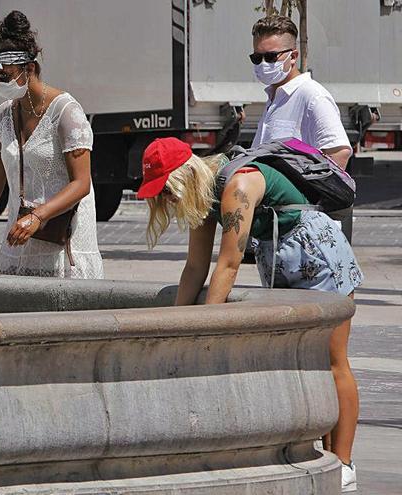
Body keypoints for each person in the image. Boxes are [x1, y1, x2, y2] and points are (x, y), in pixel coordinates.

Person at [138, 137, 362, 493]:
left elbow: (227, 265)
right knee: (305, 364)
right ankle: (327, 455)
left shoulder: (237, 184)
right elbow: (195, 267)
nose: (166, 200)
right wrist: (178, 327)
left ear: (184, 176)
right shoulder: (205, 195)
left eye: (166, 191)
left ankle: (345, 463)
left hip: (319, 257)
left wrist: (209, 331)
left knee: (333, 362)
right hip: (281, 261)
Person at [0, 10, 103, 279]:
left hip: (63, 241)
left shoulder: (66, 112)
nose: (0, 82)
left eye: (5, 76)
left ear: (30, 68)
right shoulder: (3, 116)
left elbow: (81, 183)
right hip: (19, 239)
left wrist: (38, 216)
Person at [250, 15, 352, 167]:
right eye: (257, 57)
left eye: (271, 57)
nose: (263, 64)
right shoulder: (276, 96)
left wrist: (299, 188)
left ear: (293, 57)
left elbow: (339, 153)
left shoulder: (312, 96)